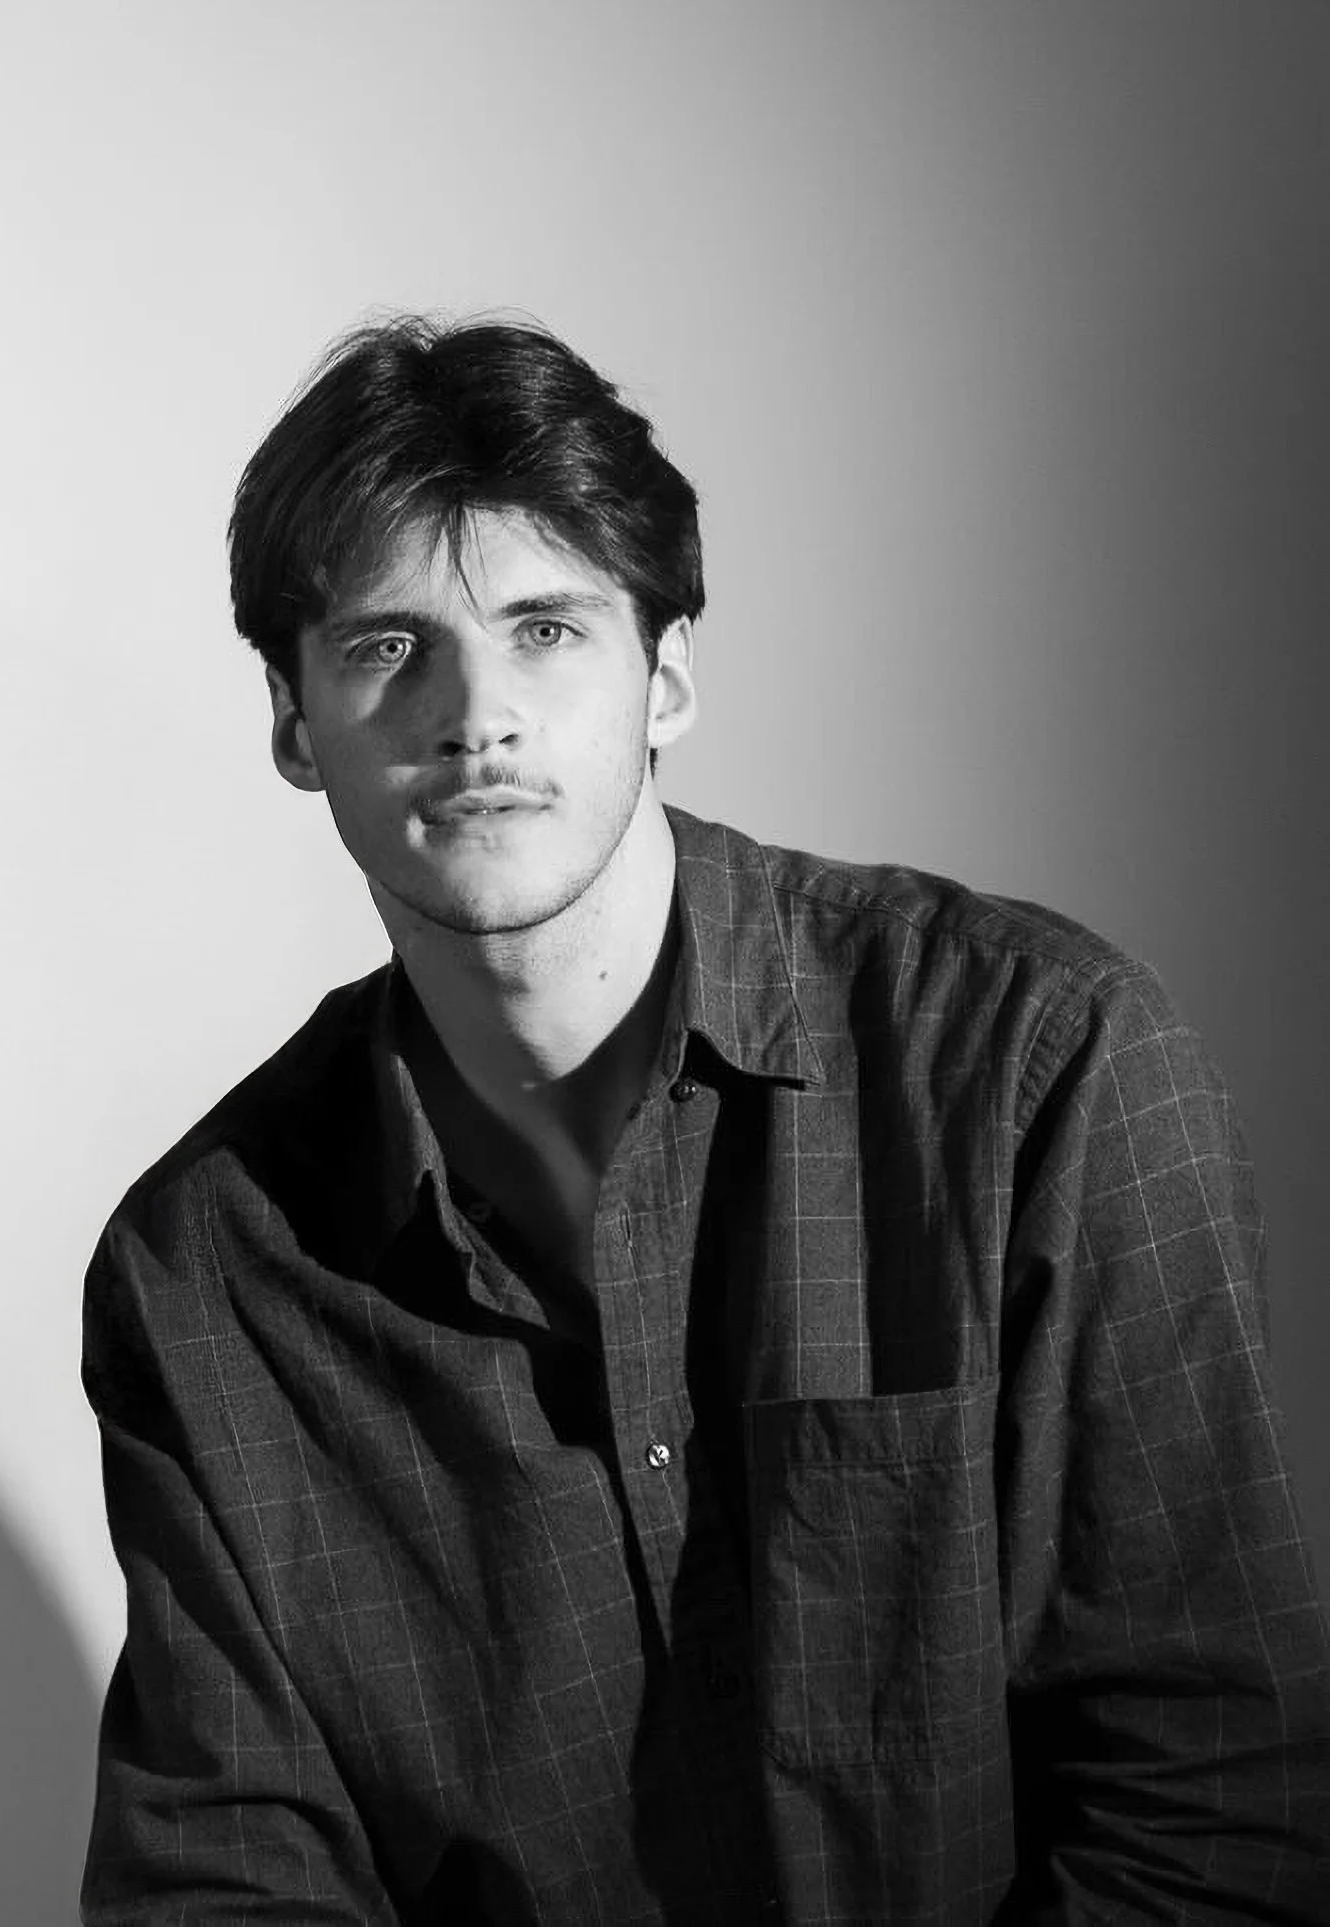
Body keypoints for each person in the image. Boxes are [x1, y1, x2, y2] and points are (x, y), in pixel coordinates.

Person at [80, 315, 1330, 1924]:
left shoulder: (1042, 1068)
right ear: (292, 722)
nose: (478, 715)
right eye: (389, 647)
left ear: (667, 674)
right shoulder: (209, 1275)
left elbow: (1215, 1817)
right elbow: (222, 1886)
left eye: (545, 629)